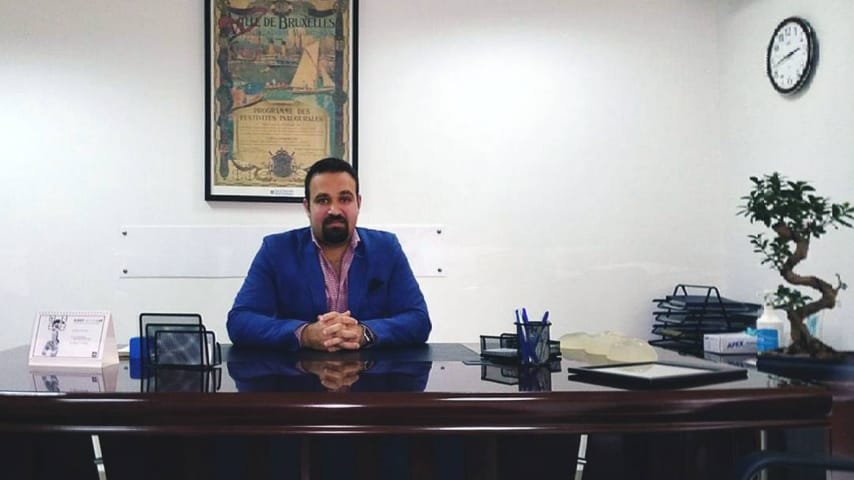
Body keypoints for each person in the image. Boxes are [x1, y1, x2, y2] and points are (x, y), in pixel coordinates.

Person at [227, 157, 431, 351]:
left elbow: (418, 320)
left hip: (371, 372)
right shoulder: (276, 250)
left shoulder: (386, 248)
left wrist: (364, 333)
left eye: (345, 199)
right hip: (297, 373)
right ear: (307, 206)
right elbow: (240, 321)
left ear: (358, 203)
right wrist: (304, 334)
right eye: (323, 200)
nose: (334, 210)